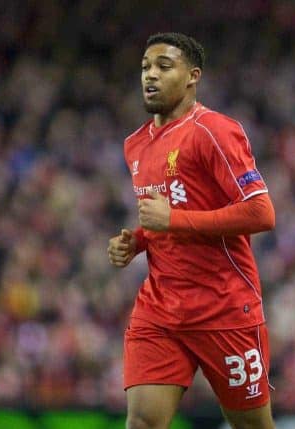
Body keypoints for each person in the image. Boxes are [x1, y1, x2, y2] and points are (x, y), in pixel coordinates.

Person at [108, 32, 276, 429]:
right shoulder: (135, 143)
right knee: (143, 423)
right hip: (160, 310)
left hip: (223, 308)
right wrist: (138, 241)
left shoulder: (213, 131)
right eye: (146, 67)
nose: (151, 75)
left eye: (164, 67)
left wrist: (172, 223)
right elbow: (168, 213)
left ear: (191, 77)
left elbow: (261, 212)